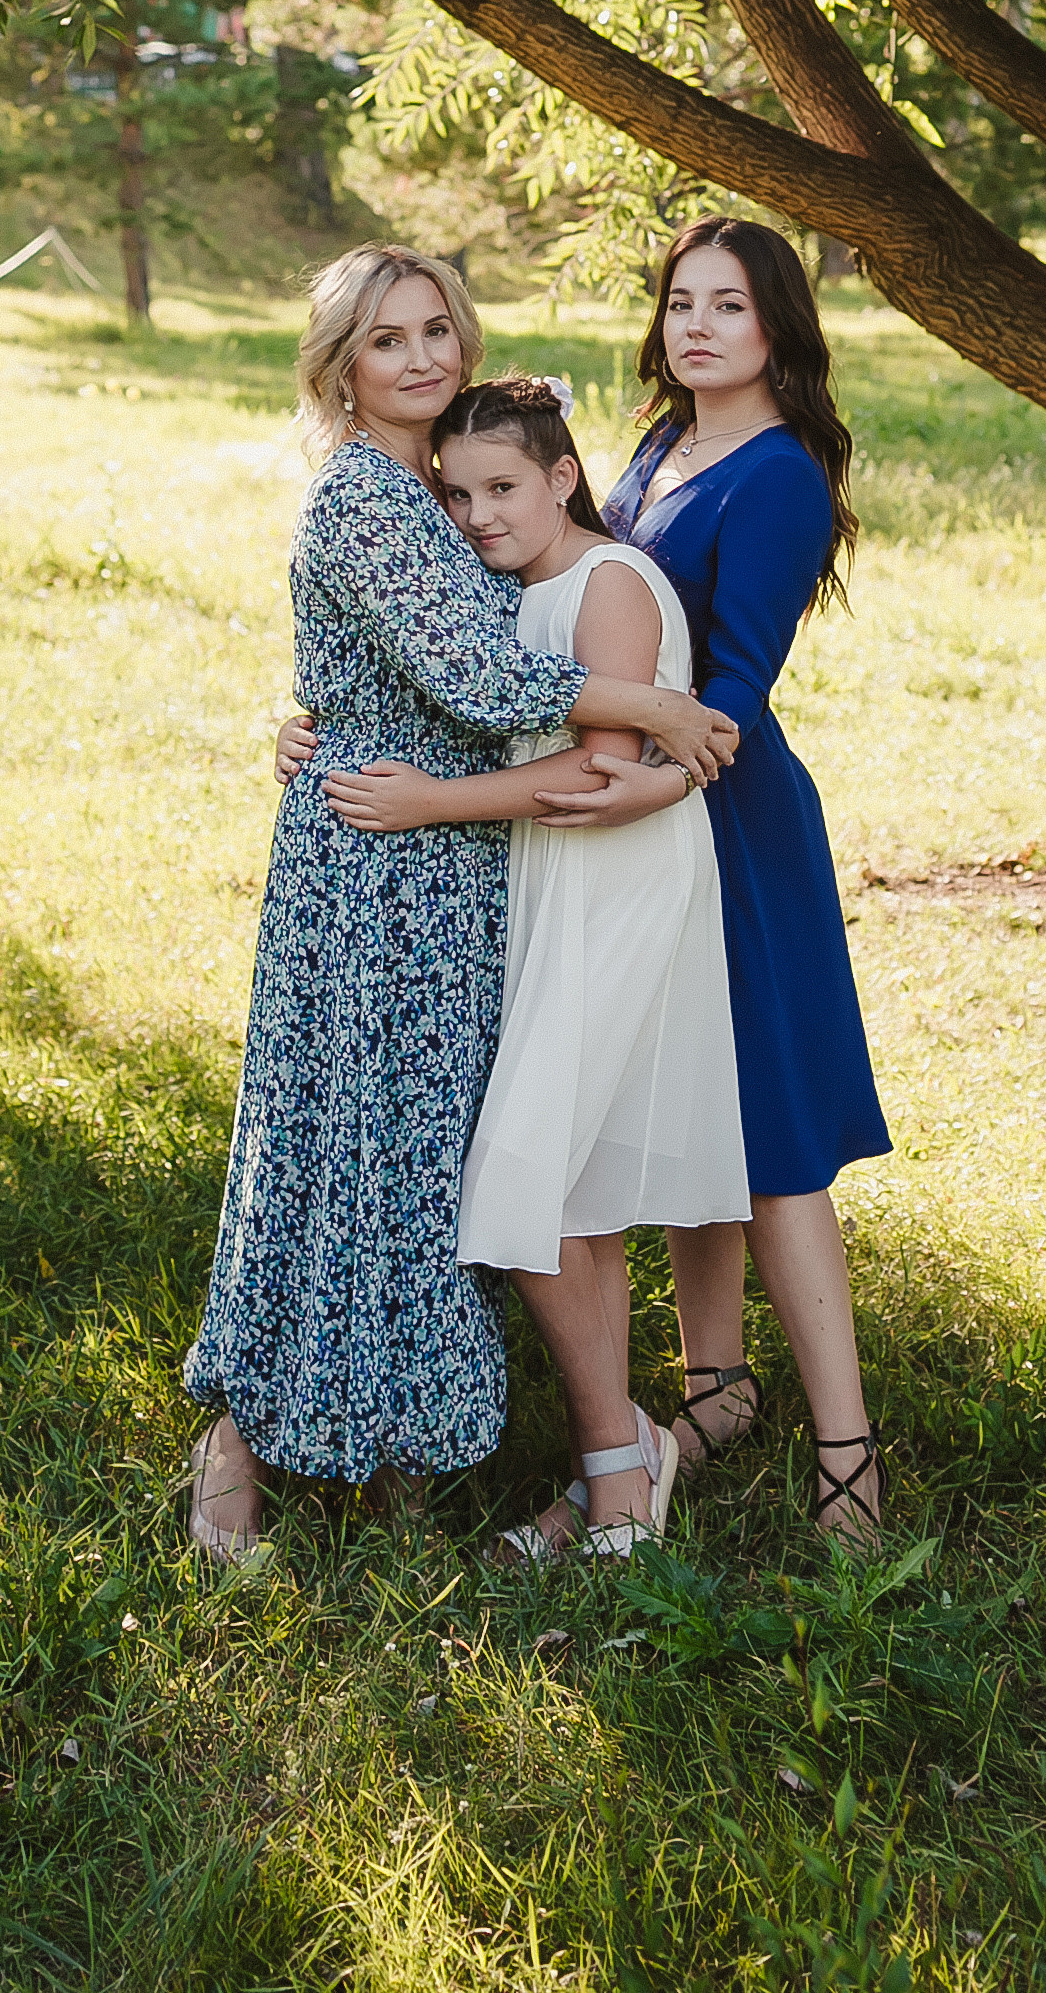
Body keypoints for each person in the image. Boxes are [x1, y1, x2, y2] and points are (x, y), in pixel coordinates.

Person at [185, 249, 738, 1560]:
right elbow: (486, 674)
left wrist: (311, 703)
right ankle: (238, 1441)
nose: (424, 357)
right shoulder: (368, 497)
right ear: (343, 369)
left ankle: (395, 1445)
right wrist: (658, 703)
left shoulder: (450, 479)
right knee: (343, 1149)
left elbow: (464, 621)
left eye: (440, 329)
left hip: (462, 869)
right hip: (378, 865)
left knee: (424, 1162)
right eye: (388, 342)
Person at [321, 375, 749, 1558]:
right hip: (553, 895)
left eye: (502, 487)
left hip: (611, 893)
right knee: (562, 1194)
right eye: (454, 494)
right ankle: (617, 1467)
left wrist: (426, 806)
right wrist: (306, 724)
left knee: (531, 1178)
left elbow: (598, 786)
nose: (475, 515)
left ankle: (618, 1466)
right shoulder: (515, 588)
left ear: (565, 477)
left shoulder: (606, 585)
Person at [598, 217, 890, 1545]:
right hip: (653, 814)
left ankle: (850, 1457)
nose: (698, 325)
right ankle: (714, 1391)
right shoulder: (664, 443)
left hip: (731, 817)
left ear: (779, 322)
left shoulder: (778, 476)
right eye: (680, 302)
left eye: (728, 305)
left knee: (773, 1142)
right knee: (688, 1124)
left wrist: (640, 782)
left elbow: (732, 691)